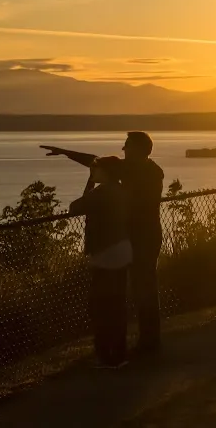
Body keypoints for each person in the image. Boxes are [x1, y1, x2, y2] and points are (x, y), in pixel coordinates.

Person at [41, 132, 165, 355]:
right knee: (142, 288)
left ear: (138, 149)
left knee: (141, 289)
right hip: (141, 236)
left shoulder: (141, 171)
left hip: (142, 237)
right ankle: (146, 341)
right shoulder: (144, 169)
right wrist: (67, 153)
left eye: (127, 146)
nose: (123, 149)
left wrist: (70, 156)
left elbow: (98, 163)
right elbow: (98, 161)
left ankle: (144, 343)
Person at [69, 156, 131, 369]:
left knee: (100, 306)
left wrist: (90, 183)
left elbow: (75, 207)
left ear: (105, 172)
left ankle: (106, 356)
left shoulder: (102, 192)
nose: (94, 172)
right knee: (117, 304)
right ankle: (119, 353)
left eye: (97, 169)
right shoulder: (122, 190)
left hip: (106, 253)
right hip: (123, 249)